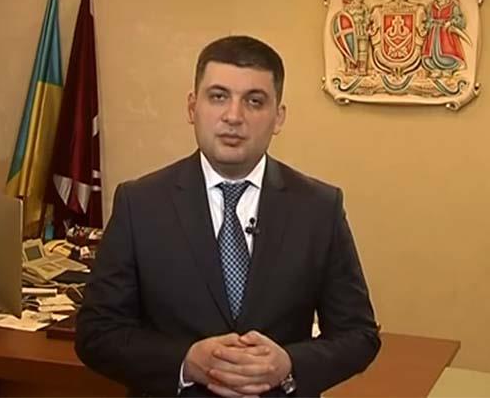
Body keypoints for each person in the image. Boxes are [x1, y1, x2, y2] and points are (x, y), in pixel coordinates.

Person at [75, 35, 380, 397]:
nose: (234, 117)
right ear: (193, 108)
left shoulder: (319, 208)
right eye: (218, 97)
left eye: (254, 101)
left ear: (278, 117)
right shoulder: (139, 204)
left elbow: (359, 335)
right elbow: (96, 332)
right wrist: (185, 363)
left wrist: (289, 365)